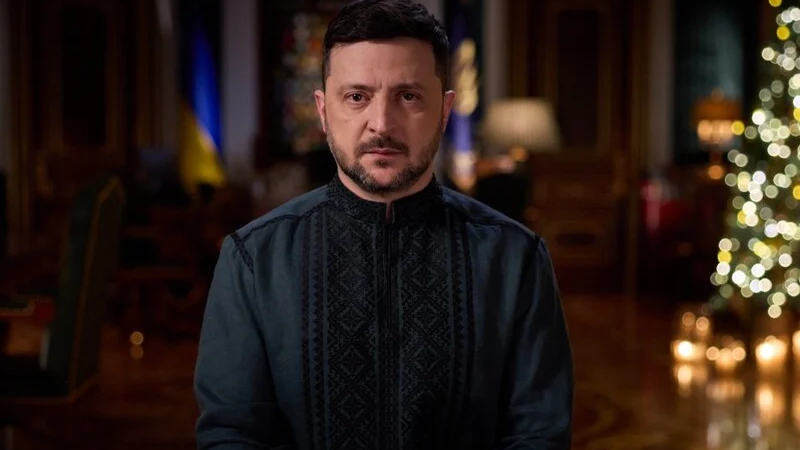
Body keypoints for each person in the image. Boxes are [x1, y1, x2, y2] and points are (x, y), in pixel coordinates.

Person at [193, 0, 574, 448]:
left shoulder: (516, 259)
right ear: (323, 111)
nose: (382, 123)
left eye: (408, 96)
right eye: (357, 97)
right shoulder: (254, 260)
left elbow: (538, 434)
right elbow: (232, 434)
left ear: (445, 110)